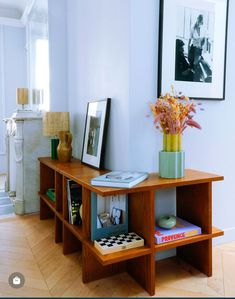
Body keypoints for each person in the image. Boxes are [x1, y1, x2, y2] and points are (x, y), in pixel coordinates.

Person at [188, 14, 212, 82]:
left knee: (198, 62)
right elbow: (190, 39)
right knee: (193, 62)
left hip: (199, 49)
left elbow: (204, 40)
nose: (200, 23)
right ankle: (195, 74)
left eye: (201, 22)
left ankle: (203, 76)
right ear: (197, 20)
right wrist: (188, 48)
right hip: (193, 47)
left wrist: (201, 46)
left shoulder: (204, 29)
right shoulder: (193, 28)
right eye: (199, 21)